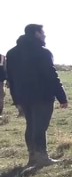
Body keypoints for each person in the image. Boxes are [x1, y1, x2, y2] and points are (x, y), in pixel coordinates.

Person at [5, 24, 68, 168]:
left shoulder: (12, 53)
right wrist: (62, 97)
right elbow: (51, 75)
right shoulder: (42, 52)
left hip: (23, 97)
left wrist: (16, 99)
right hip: (42, 96)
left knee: (31, 126)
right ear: (36, 33)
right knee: (40, 127)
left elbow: (11, 79)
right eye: (42, 32)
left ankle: (33, 157)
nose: (44, 35)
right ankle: (41, 157)